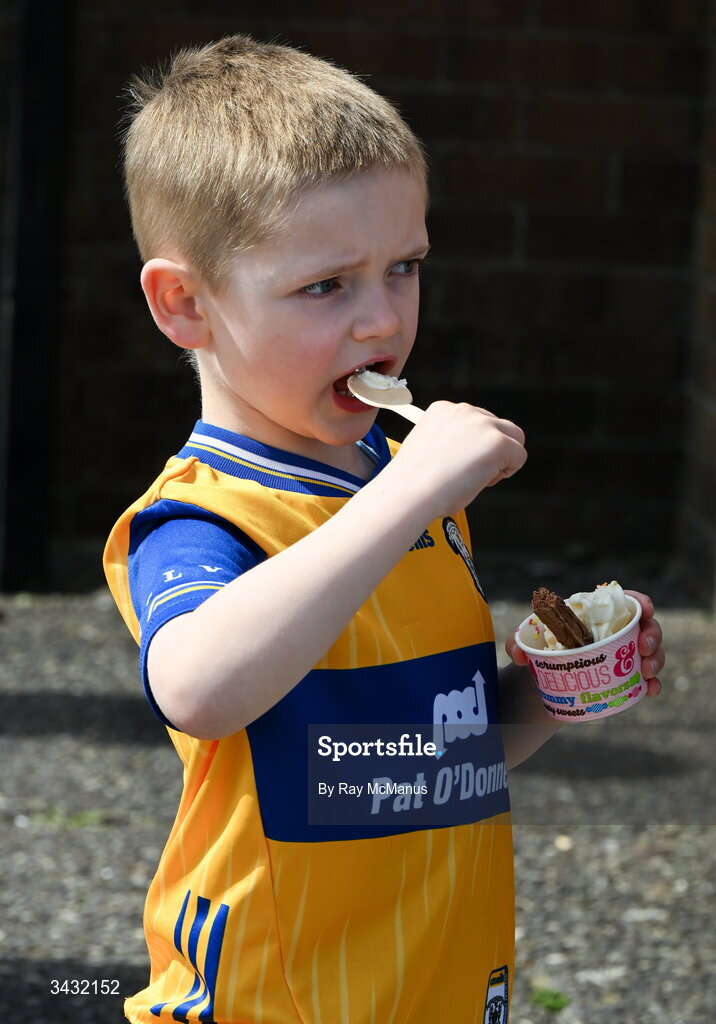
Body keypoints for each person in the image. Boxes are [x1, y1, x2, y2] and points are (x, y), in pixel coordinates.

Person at [103, 33, 665, 1024]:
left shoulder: (404, 487)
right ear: (184, 302)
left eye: (402, 267)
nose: (381, 322)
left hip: (439, 985)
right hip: (274, 1000)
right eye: (326, 285)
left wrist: (548, 692)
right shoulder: (201, 516)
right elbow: (195, 687)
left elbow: (425, 753)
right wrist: (403, 498)